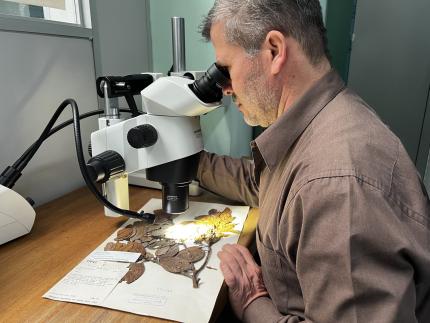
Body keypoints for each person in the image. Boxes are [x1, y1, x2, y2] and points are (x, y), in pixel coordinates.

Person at [196, 0, 430, 322]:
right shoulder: (321, 124)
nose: (224, 89)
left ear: (275, 51)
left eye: (225, 69)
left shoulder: (337, 185)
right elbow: (266, 184)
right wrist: (193, 165)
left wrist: (252, 301)